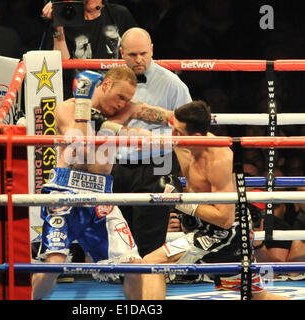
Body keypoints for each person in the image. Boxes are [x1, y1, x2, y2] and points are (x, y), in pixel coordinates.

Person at [31, 66, 175, 300]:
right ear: (105, 84)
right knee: (53, 265)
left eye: (127, 99)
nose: (122, 104)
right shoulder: (67, 107)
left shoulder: (120, 112)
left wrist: (183, 120)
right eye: (120, 97)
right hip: (65, 193)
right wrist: (84, 104)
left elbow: (153, 113)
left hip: (101, 197)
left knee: (135, 266)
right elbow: (78, 143)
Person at [141, 100, 288, 300]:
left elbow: (224, 219)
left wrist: (179, 201)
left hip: (226, 232)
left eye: (178, 133)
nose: (172, 136)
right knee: (256, 296)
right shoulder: (185, 133)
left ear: (197, 137)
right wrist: (121, 116)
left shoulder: (218, 159)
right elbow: (154, 115)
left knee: (152, 263)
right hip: (205, 226)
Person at [111, 27, 192, 259]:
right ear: (121, 52)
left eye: (144, 54)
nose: (139, 60)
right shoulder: (108, 82)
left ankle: (150, 278)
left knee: (152, 230)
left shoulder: (172, 84)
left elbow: (187, 131)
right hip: (118, 161)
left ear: (152, 50)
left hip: (159, 161)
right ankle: (126, 278)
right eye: (133, 54)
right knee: (120, 227)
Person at [42, 0, 137, 99]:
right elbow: (62, 67)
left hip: (115, 94)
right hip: (76, 96)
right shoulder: (65, 16)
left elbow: (138, 53)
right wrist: (58, 27)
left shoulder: (119, 14)